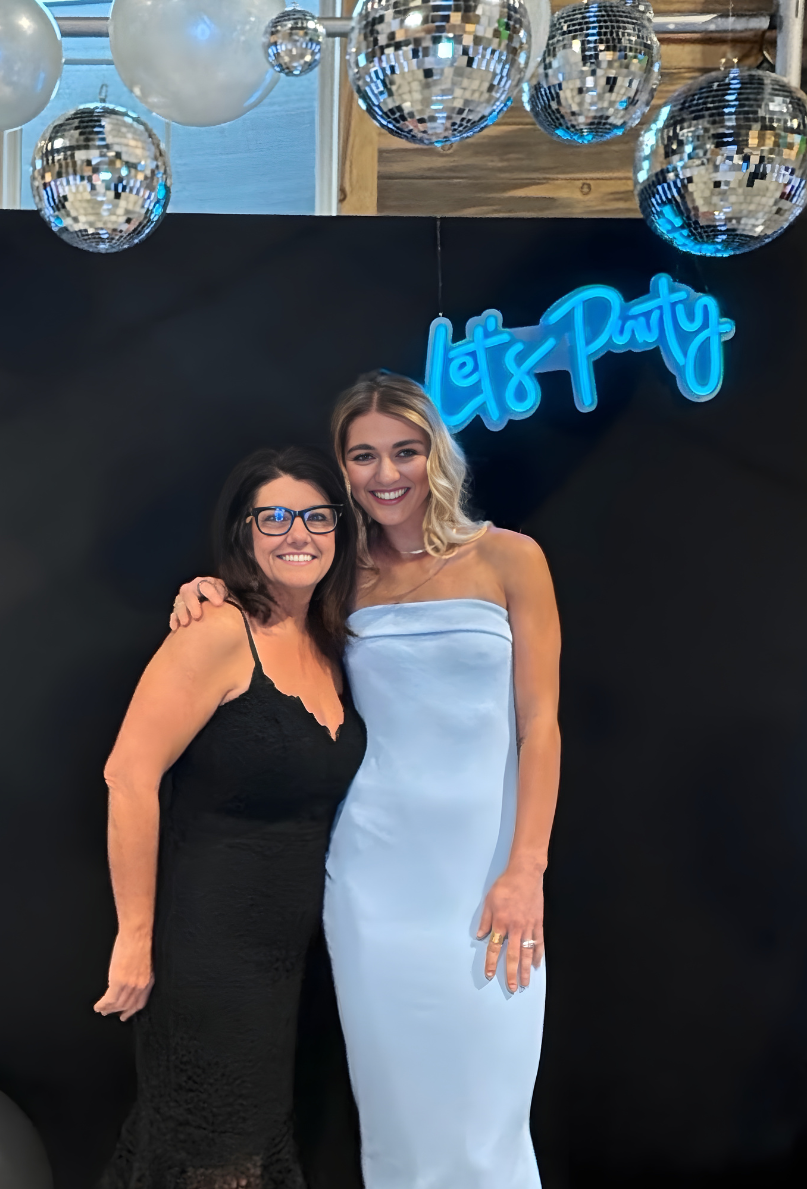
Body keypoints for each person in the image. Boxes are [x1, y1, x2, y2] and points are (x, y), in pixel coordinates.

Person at [172, 372, 561, 1189]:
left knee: (489, 1119)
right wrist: (207, 590)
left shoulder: (510, 559)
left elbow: (541, 727)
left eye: (405, 451)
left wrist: (525, 869)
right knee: (396, 1120)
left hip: (488, 879)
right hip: (373, 883)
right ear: (343, 469)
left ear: (436, 454)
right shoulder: (337, 577)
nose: (387, 474)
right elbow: (260, 618)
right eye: (363, 456)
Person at [96, 446, 366, 1189]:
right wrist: (135, 938)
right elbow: (128, 776)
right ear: (244, 531)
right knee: (214, 1157)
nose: (297, 533)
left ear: (339, 531)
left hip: (283, 962)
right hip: (206, 959)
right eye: (273, 516)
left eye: (316, 516)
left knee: (236, 1146)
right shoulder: (218, 633)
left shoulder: (329, 641)